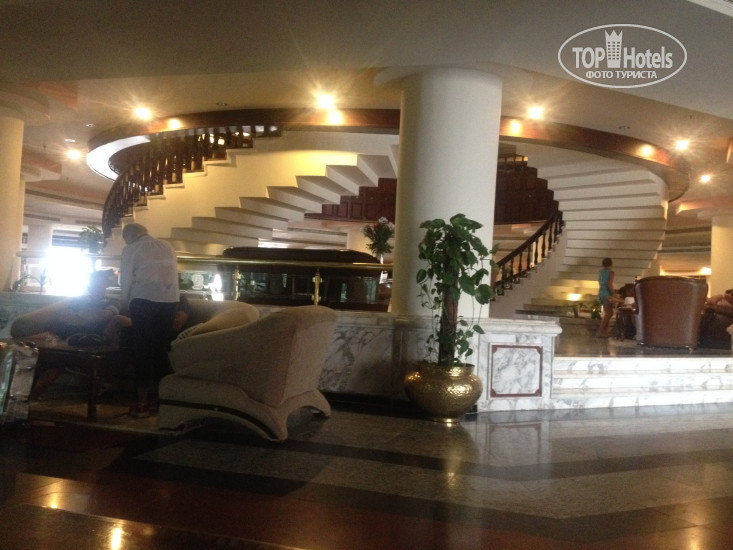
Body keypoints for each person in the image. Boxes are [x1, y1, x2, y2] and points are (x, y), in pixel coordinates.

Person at [119, 223, 180, 418]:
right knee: (160, 348)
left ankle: (142, 403)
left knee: (142, 350)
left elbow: (126, 280)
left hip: (143, 300)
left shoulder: (131, 249)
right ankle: (167, 401)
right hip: (170, 300)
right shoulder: (167, 245)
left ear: (128, 237)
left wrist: (125, 303)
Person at [597, 257, 623, 338]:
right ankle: (600, 331)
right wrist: (614, 293)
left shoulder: (600, 272)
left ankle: (604, 332)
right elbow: (609, 284)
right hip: (606, 293)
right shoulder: (611, 273)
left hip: (601, 292)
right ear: (611, 264)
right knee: (609, 313)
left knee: (607, 313)